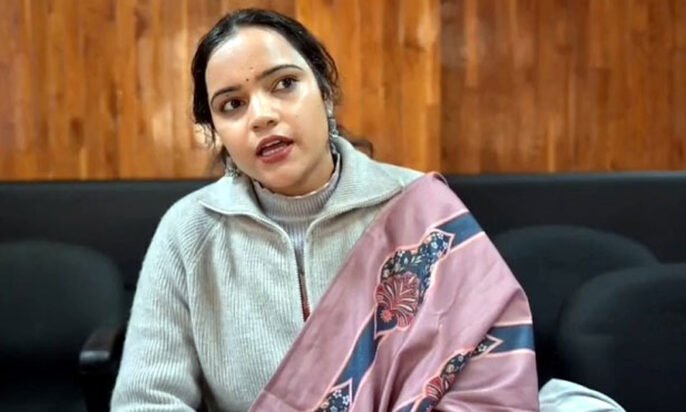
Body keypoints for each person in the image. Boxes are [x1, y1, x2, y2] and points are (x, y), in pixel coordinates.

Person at [111, 8, 538, 411]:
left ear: (325, 93)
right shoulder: (188, 232)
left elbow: (486, 377)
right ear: (216, 132)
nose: (261, 116)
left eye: (284, 84)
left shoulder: (420, 209)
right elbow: (147, 400)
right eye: (232, 105)